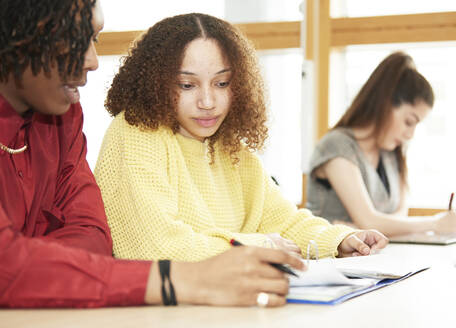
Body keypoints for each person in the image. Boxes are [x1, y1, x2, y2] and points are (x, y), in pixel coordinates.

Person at [0, 0, 307, 308]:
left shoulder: (64, 118)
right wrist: (181, 279)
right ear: (15, 34)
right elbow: (8, 264)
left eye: (93, 40)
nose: (93, 61)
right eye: (73, 42)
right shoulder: (130, 133)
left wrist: (37, 268)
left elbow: (91, 234)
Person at [94, 13, 388, 265]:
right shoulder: (134, 133)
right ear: (155, 84)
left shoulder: (230, 146)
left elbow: (282, 221)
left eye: (222, 83)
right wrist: (259, 246)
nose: (208, 101)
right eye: (187, 85)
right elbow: (155, 248)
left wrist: (340, 240)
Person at [306, 52, 456, 237]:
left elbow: (399, 216)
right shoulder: (336, 146)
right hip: (330, 260)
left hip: (378, 258)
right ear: (386, 105)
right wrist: (435, 223)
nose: (410, 134)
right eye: (409, 122)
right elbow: (370, 221)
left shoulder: (392, 153)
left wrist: (362, 227)